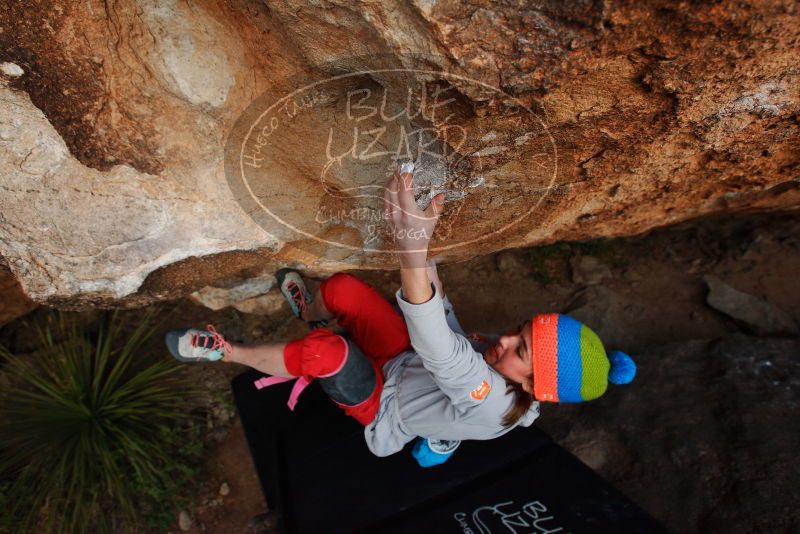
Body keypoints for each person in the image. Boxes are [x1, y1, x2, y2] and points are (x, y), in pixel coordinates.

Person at [165, 163, 636, 466]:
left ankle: (227, 352)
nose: (506, 340)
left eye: (521, 349)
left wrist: (410, 246)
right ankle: (310, 309)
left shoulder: (493, 400)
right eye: (519, 330)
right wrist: (422, 252)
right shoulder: (504, 363)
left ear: (535, 387)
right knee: (342, 289)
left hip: (385, 404)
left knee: (326, 352)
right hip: (407, 361)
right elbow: (442, 320)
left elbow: (441, 346)